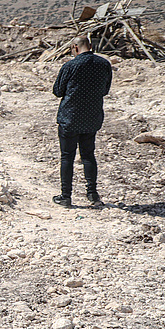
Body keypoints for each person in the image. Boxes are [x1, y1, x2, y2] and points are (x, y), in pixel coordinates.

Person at [52, 35, 113, 207]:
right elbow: (105, 89)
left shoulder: (70, 65)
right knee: (88, 155)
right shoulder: (104, 64)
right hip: (92, 117)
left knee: (67, 157)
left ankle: (66, 196)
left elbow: (57, 90)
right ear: (90, 45)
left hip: (69, 118)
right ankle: (92, 194)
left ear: (75, 47)